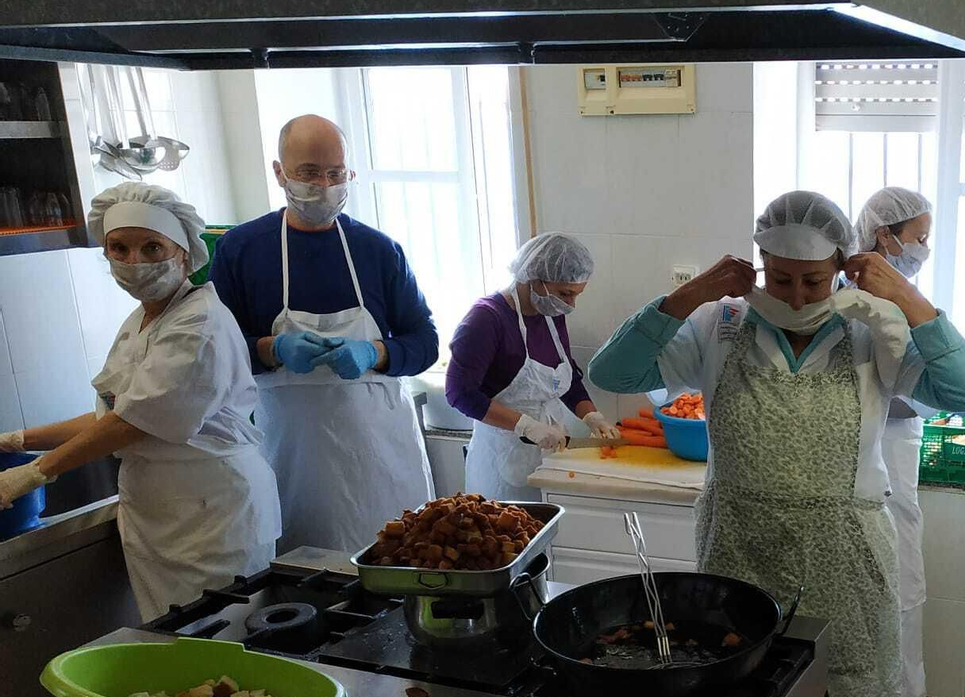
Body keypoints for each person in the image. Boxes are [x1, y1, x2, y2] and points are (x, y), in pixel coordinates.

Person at [588, 190, 965, 697]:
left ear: (842, 267)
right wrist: (691, 293)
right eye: (781, 279)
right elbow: (613, 369)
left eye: (813, 280)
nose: (798, 295)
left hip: (841, 549)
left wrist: (906, 295)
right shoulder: (720, 324)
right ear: (759, 266)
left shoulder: (873, 330)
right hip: (738, 549)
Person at [0, 183, 281, 620]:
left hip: (211, 515)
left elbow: (133, 424)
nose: (135, 262)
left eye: (152, 247)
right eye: (120, 248)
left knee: (222, 650)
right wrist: (17, 440)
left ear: (185, 252)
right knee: (180, 658)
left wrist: (34, 474)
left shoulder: (198, 323)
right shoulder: (143, 320)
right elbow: (112, 415)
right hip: (164, 516)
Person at [210, 114, 439, 553]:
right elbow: (215, 352)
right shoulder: (241, 249)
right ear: (279, 172)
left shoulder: (378, 250)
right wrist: (270, 348)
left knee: (396, 564)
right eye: (309, 173)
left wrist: (374, 353)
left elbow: (424, 341)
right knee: (310, 573)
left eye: (335, 174)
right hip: (294, 460)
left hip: (380, 455)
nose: (324, 186)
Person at [854, 185, 964, 697]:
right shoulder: (859, 302)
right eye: (918, 236)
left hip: (894, 461)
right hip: (878, 466)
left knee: (901, 582)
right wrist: (935, 390)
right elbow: (876, 391)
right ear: (884, 236)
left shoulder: (894, 297)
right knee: (897, 583)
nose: (923, 247)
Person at [446, 231, 618, 500]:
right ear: (535, 279)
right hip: (502, 464)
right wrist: (527, 426)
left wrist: (592, 416)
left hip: (552, 455)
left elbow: (566, 378)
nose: (571, 304)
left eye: (576, 295)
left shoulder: (552, 313)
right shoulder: (486, 319)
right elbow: (459, 394)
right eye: (565, 293)